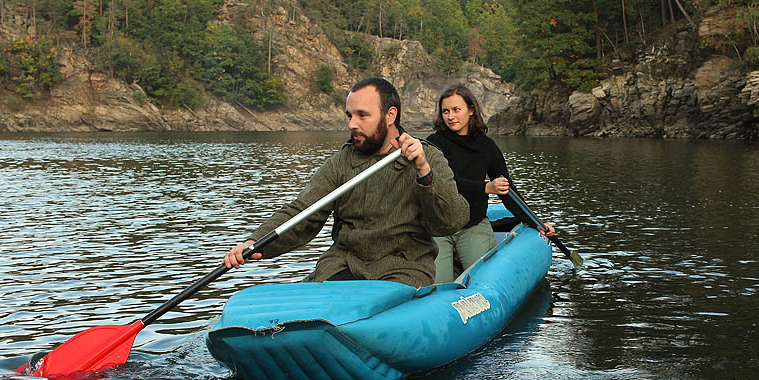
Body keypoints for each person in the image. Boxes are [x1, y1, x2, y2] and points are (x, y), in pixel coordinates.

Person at [222, 77, 469, 288]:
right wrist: (255, 242)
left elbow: (452, 221)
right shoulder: (341, 162)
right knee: (311, 302)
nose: (352, 124)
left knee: (369, 307)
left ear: (390, 115)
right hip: (344, 263)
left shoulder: (428, 157)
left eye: (362, 115)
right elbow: (303, 212)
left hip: (402, 268)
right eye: (350, 115)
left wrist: (423, 171)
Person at [426, 84, 554, 284]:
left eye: (456, 110)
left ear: (470, 110)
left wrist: (535, 222)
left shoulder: (487, 146)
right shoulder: (434, 143)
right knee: (437, 284)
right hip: (438, 227)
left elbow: (507, 189)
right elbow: (444, 182)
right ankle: (452, 267)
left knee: (481, 282)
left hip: (472, 225)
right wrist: (485, 187)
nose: (450, 116)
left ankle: (458, 264)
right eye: (445, 111)